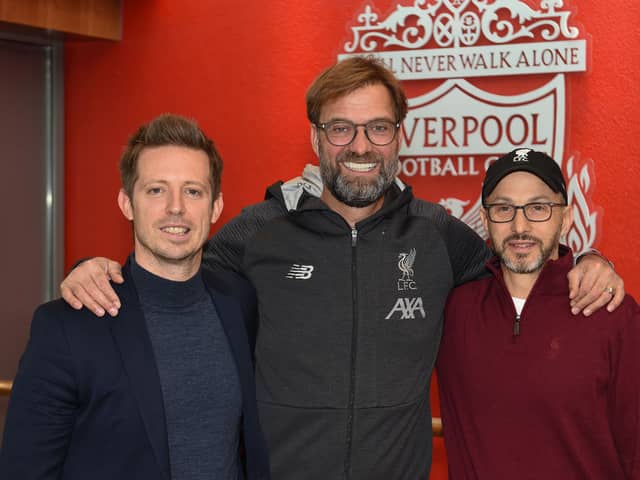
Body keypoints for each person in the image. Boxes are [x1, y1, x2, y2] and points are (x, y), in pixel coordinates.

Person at [59, 59, 624, 480]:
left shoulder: (439, 235)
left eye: (378, 128)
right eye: (341, 128)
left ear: (398, 138)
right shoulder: (258, 231)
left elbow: (519, 266)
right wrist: (96, 267)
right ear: (316, 137)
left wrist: (589, 261)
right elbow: (171, 267)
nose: (361, 145)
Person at [0, 114, 270, 480]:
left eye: (193, 191)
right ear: (127, 203)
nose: (176, 207)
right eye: (156, 190)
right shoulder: (68, 326)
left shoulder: (240, 303)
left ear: (216, 207)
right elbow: (25, 469)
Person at [437, 148, 640, 479]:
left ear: (567, 217)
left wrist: (595, 259)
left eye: (538, 208)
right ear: (486, 220)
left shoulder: (614, 314)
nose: (520, 226)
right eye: (504, 208)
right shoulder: (452, 310)